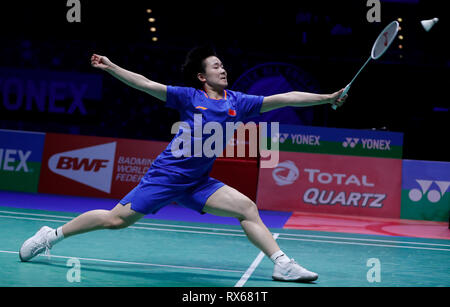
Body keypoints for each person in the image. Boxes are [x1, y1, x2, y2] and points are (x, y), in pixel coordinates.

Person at [19, 46, 347, 282]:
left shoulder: (239, 102)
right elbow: (145, 84)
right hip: (167, 175)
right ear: (202, 76)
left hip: (198, 181)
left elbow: (285, 97)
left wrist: (328, 97)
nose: (223, 69)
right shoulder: (189, 97)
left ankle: (282, 264)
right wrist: (112, 67)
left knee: (247, 208)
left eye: (223, 65)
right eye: (216, 66)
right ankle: (52, 234)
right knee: (116, 220)